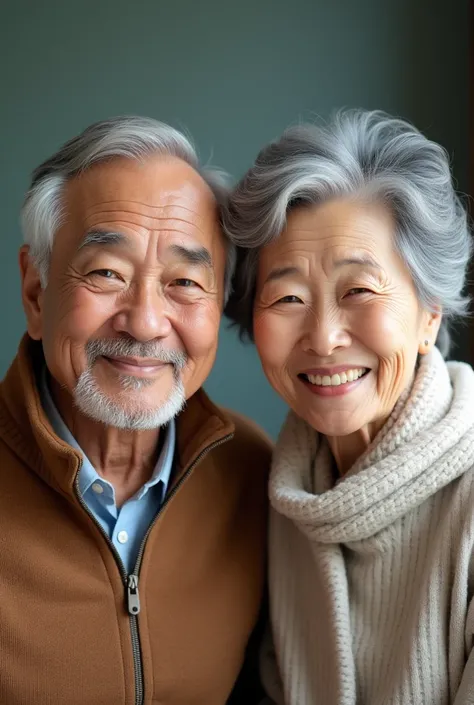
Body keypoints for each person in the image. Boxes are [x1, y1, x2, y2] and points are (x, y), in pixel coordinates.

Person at [0, 116, 272, 705]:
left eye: (185, 282)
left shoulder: (257, 477)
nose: (147, 322)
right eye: (106, 273)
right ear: (36, 292)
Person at [222, 109, 474, 705]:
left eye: (358, 289)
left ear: (429, 310)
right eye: (286, 296)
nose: (323, 336)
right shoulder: (283, 493)